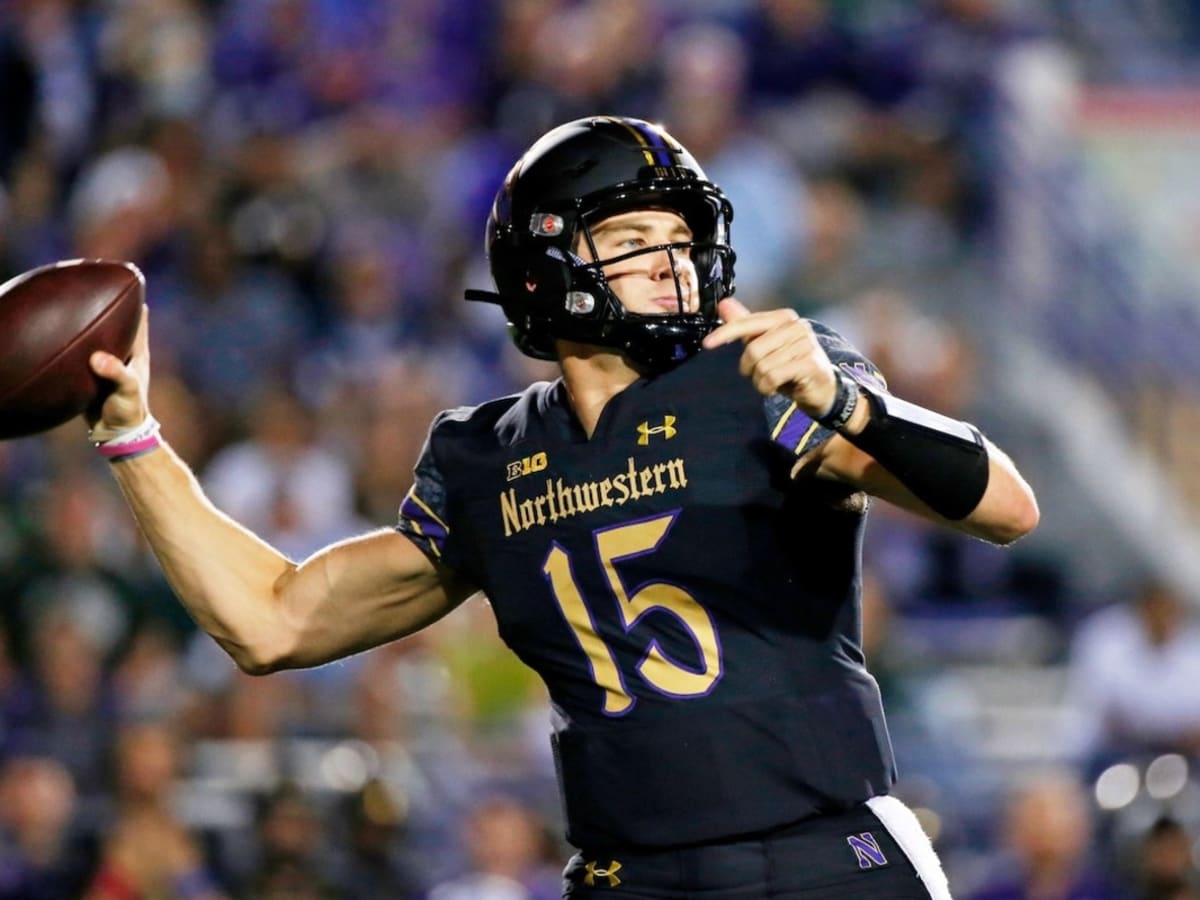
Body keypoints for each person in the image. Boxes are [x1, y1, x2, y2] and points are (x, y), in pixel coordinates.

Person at [87, 116, 1038, 898]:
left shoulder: (759, 380)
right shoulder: (487, 457)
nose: (673, 266)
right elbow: (272, 621)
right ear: (546, 267)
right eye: (633, 242)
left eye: (681, 240)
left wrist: (852, 405)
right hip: (629, 875)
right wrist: (133, 438)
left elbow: (1004, 506)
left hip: (823, 858)